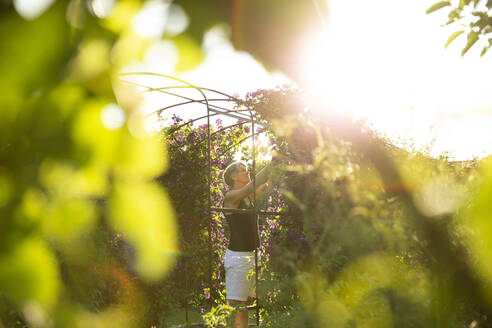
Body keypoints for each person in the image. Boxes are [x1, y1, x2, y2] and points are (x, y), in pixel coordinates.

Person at [222, 160, 273, 328]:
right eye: (242, 170)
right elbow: (254, 185)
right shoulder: (231, 197)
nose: (247, 172)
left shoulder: (248, 197)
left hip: (251, 255)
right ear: (233, 177)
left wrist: (278, 170)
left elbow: (265, 187)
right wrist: (272, 163)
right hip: (238, 257)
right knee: (237, 305)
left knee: (247, 302)